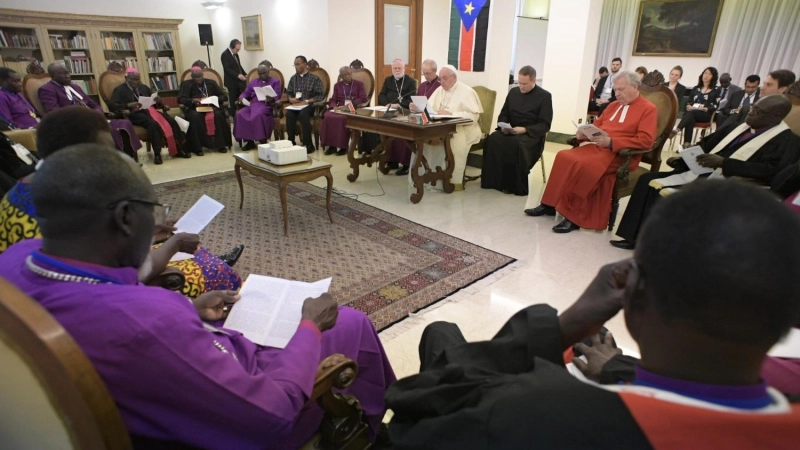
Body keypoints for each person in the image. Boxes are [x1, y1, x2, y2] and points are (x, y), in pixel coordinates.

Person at [0, 144, 396, 449]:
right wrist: (310, 325)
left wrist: (190, 308)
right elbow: (271, 415)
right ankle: (368, 434)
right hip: (240, 420)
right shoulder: (145, 322)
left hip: (157, 383)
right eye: (154, 211)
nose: (158, 223)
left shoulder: (15, 261)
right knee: (348, 322)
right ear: (124, 218)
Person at [386, 180, 800, 449]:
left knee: (440, 332)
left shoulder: (536, 416)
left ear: (633, 300)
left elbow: (411, 412)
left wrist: (564, 326)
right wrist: (621, 369)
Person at [0, 105, 244, 297]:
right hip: (99, 297)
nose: (113, 158)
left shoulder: (30, 186)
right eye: (106, 152)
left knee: (176, 239)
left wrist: (150, 231)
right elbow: (123, 274)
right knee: (212, 270)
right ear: (79, 154)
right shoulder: (63, 203)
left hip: (45, 288)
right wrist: (173, 244)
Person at [611, 95, 800, 250]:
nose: (750, 113)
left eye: (758, 111)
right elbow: (706, 143)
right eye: (752, 108)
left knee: (673, 193)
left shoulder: (787, 141)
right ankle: (634, 238)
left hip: (728, 182)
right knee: (647, 179)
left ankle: (664, 248)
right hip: (701, 172)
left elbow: (771, 171)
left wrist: (725, 163)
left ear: (776, 115)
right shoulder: (738, 127)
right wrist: (683, 159)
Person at [526, 71, 657, 233]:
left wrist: (612, 142)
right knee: (563, 156)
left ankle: (573, 216)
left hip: (621, 154)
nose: (617, 94)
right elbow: (598, 126)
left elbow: (646, 141)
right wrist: (583, 134)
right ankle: (549, 204)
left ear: (635, 87)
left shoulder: (648, 109)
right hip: (598, 148)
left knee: (586, 165)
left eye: (621, 89)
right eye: (615, 90)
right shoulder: (613, 106)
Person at [38, 63, 142, 158]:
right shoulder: (47, 89)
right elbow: (54, 112)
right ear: (53, 75)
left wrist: (97, 113)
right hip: (75, 123)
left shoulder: (75, 87)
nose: (68, 75)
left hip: (93, 119)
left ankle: (129, 158)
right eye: (63, 74)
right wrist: (81, 113)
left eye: (68, 72)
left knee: (125, 123)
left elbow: (93, 104)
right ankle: (115, 160)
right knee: (109, 131)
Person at [480, 65, 553, 196]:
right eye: (519, 83)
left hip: (531, 135)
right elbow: (504, 113)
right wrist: (504, 126)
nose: (521, 87)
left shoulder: (545, 97)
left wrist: (525, 129)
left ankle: (513, 185)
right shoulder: (513, 92)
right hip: (511, 130)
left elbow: (545, 124)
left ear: (533, 81)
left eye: (525, 84)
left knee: (516, 144)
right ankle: (493, 181)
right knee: (492, 139)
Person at [409, 65, 482, 189]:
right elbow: (430, 109)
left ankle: (451, 180)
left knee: (453, 139)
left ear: (454, 78)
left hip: (464, 129)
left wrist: (452, 114)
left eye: (444, 78)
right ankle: (426, 175)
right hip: (441, 127)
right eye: (440, 79)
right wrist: (418, 108)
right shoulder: (439, 90)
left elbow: (473, 117)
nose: (441, 82)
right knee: (425, 138)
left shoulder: (466, 91)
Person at [109, 68, 192, 164]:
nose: (136, 82)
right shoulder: (119, 90)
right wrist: (128, 105)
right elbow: (112, 106)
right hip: (134, 114)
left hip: (150, 111)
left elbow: (153, 103)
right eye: (133, 79)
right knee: (152, 124)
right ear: (126, 78)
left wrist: (158, 101)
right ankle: (157, 153)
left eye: (138, 79)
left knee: (171, 121)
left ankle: (178, 149)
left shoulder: (143, 87)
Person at [376, 58, 417, 174]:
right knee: (387, 132)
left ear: (404, 69)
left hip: (405, 112)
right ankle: (391, 160)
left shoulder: (410, 81)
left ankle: (405, 164)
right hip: (389, 111)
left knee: (401, 135)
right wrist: (388, 104)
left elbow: (411, 99)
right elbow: (381, 96)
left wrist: (398, 105)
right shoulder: (388, 80)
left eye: (399, 68)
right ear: (392, 69)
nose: (397, 70)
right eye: (395, 68)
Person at [178, 66, 232, 154]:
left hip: (212, 107)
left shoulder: (211, 83)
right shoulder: (186, 84)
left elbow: (224, 96)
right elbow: (180, 99)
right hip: (195, 108)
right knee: (195, 117)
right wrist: (192, 101)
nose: (199, 79)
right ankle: (198, 147)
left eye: (200, 77)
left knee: (218, 115)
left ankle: (221, 145)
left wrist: (214, 99)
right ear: (192, 77)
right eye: (196, 78)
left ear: (203, 75)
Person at [234, 64, 282, 150]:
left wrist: (272, 98)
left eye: (264, 73)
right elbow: (246, 93)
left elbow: (277, 95)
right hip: (253, 104)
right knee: (240, 113)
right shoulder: (253, 82)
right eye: (260, 73)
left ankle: (262, 140)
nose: (262, 75)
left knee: (257, 114)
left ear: (268, 72)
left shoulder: (275, 82)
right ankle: (249, 142)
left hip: (267, 105)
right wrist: (241, 98)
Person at [320, 66, 366, 156]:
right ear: (341, 76)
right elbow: (333, 99)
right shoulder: (337, 86)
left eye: (349, 74)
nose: (348, 76)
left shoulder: (359, 84)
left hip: (353, 108)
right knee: (327, 116)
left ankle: (343, 147)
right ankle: (332, 146)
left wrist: (350, 105)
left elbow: (363, 98)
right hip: (340, 108)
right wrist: (334, 107)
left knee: (341, 119)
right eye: (345, 75)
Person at [285, 55, 325, 154]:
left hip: (309, 106)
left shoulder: (314, 78)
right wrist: (291, 99)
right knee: (289, 114)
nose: (296, 66)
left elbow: (319, 96)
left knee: (303, 114)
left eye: (298, 64)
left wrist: (306, 101)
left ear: (305, 64)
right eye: (294, 65)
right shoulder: (293, 78)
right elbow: (288, 92)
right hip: (296, 105)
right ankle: (291, 142)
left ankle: (309, 144)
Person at [672, 67, 720, 149]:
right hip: (693, 113)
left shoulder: (716, 90)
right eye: (705, 73)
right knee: (691, 118)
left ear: (713, 77)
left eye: (709, 74)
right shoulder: (696, 88)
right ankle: (686, 145)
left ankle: (677, 130)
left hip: (705, 114)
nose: (706, 76)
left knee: (691, 114)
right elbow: (688, 102)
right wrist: (688, 106)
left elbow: (716, 105)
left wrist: (705, 108)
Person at [221, 39, 247, 118]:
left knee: (239, 99)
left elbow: (239, 66)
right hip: (231, 82)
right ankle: (234, 116)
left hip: (238, 82)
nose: (238, 51)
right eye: (237, 49)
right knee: (233, 101)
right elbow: (227, 69)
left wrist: (245, 74)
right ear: (232, 47)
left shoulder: (235, 54)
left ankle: (240, 115)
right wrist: (237, 75)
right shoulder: (225, 55)